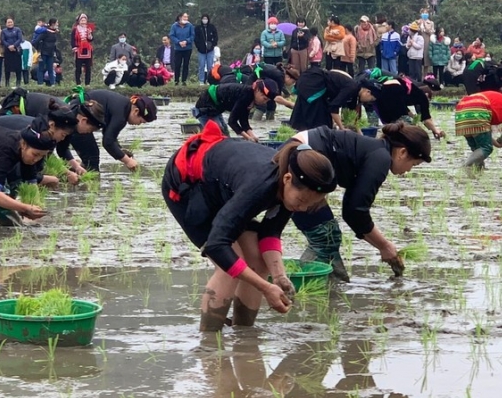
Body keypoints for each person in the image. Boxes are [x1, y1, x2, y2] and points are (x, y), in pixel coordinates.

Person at [162, 120, 337, 331]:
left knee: (258, 260)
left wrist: (279, 275)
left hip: (224, 190)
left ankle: (244, 335)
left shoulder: (291, 187)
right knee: (229, 265)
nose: (301, 209)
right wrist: (265, 288)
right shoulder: (259, 187)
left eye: (309, 205)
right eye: (301, 202)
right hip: (189, 188)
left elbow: (270, 232)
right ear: (288, 179)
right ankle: (209, 342)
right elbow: (217, 245)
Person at [287, 122, 430, 282]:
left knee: (327, 236)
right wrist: (384, 246)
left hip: (300, 154)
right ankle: (305, 287)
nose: (409, 170)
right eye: (414, 164)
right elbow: (357, 211)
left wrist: (381, 247)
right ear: (402, 152)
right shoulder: (381, 158)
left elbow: (351, 211)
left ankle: (332, 287)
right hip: (301, 162)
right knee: (324, 237)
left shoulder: (375, 152)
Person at [0, 89, 106, 177]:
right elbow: (47, 152)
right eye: (90, 130)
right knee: (13, 156)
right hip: (11, 116)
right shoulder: (62, 119)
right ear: (83, 120)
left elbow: (62, 149)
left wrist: (76, 166)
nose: (87, 133)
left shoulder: (69, 122)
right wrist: (66, 172)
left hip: (23, 124)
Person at [455, 87, 502, 169]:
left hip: (461, 109)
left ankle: (477, 171)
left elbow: (484, 131)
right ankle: (465, 168)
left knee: (477, 148)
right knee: (486, 148)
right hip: (478, 109)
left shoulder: (498, 100)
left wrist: (496, 144)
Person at [289, 67, 377, 131]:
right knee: (318, 122)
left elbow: (350, 115)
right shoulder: (352, 88)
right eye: (371, 98)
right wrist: (342, 128)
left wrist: (359, 134)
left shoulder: (354, 95)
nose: (369, 101)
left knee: (325, 122)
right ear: (367, 91)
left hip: (319, 88)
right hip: (314, 84)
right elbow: (333, 109)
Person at [365, 69, 445, 138]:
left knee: (385, 123)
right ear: (427, 94)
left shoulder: (413, 87)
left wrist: (413, 119)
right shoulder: (422, 96)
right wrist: (435, 130)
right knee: (403, 124)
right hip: (390, 89)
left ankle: (372, 135)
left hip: (375, 89)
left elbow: (403, 107)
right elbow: (426, 119)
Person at [192, 79, 280, 139]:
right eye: (264, 98)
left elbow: (243, 120)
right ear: (257, 90)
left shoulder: (250, 98)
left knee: (225, 134)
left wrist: (253, 137)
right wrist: (248, 138)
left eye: (267, 100)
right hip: (206, 106)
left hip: (217, 108)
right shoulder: (245, 95)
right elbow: (232, 121)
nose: (264, 102)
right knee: (219, 135)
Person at [169, 13, 194, 85]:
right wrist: (178, 42)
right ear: (180, 17)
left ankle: (184, 81)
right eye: (184, 17)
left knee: (186, 64)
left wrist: (186, 41)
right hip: (178, 49)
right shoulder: (174, 26)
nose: (186, 18)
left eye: (187, 17)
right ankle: (176, 81)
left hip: (187, 48)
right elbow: (172, 35)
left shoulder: (190, 26)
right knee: (177, 65)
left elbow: (192, 36)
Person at [70, 13, 94, 86]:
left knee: (88, 67)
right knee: (78, 67)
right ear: (79, 21)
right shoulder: (75, 29)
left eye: (84, 20)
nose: (83, 22)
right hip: (79, 49)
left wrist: (90, 36)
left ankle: (87, 83)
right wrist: (74, 47)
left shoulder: (89, 29)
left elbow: (91, 39)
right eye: (82, 20)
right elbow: (72, 39)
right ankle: (78, 83)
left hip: (87, 49)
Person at [195, 14, 218, 85]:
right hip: (201, 51)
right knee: (201, 66)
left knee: (210, 66)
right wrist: (199, 46)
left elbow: (216, 37)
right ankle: (201, 81)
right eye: (203, 19)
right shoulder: (198, 28)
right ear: (201, 19)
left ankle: (209, 80)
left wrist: (213, 45)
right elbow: (196, 39)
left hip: (210, 50)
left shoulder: (212, 27)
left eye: (206, 19)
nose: (205, 20)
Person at [34, 18, 58, 87]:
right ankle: (40, 83)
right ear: (53, 24)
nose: (57, 24)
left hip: (51, 53)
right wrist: (38, 50)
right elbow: (36, 41)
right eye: (57, 23)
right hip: (43, 53)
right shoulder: (45, 32)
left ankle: (52, 83)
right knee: (41, 68)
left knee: (50, 68)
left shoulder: (54, 32)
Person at [1, 17, 23, 87]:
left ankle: (18, 83)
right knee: (7, 67)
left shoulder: (18, 30)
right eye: (8, 22)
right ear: (6, 23)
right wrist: (9, 46)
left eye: (11, 22)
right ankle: (7, 83)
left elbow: (19, 39)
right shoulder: (3, 31)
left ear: (13, 22)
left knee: (18, 67)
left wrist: (14, 46)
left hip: (16, 50)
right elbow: (2, 40)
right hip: (7, 51)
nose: (10, 23)